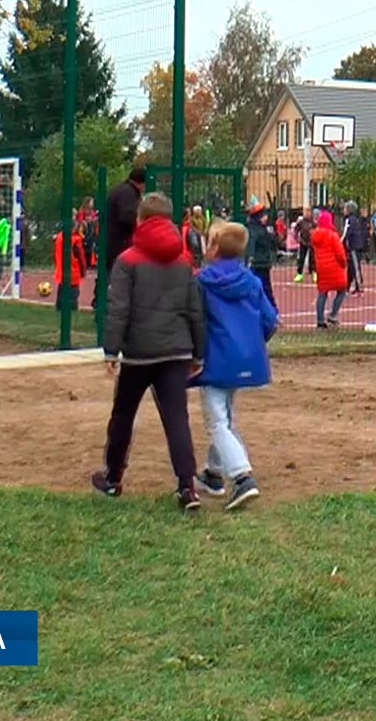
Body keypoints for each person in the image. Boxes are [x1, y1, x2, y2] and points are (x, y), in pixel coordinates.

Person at [94, 192, 207, 512]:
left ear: (141, 220)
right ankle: (187, 487)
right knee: (177, 419)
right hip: (177, 350)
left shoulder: (127, 260)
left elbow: (119, 309)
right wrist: (199, 353)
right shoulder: (183, 260)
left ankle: (113, 478)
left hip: (138, 352)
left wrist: (110, 350)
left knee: (123, 415)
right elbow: (194, 310)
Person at [192, 222, 276, 511]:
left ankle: (241, 477)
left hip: (216, 359)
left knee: (216, 420)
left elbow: (195, 321)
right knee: (224, 416)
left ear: (213, 248)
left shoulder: (202, 281)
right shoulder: (252, 281)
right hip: (244, 357)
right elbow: (269, 320)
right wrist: (250, 344)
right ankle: (213, 474)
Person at [102, 166, 145, 275]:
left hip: (113, 243)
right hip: (121, 244)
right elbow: (127, 216)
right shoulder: (129, 193)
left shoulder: (121, 190)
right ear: (141, 183)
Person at [310, 209, 349, 329]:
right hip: (335, 267)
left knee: (322, 292)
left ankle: (320, 320)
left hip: (321, 267)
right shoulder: (333, 236)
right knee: (342, 290)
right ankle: (333, 314)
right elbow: (340, 253)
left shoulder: (315, 236)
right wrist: (343, 264)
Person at [244, 202, 278, 309]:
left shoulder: (263, 228)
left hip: (263, 262)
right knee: (262, 289)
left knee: (266, 288)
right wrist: (250, 258)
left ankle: (271, 311)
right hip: (258, 263)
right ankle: (269, 311)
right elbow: (252, 244)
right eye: (264, 215)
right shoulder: (254, 229)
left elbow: (273, 243)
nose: (266, 217)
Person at [50, 216, 88, 311]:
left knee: (62, 290)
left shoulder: (59, 237)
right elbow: (80, 256)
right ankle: (72, 308)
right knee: (73, 292)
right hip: (73, 271)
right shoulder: (76, 240)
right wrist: (83, 270)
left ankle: (59, 307)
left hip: (61, 270)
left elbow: (55, 253)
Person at [342, 200, 368, 293]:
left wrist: (341, 242)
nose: (343, 210)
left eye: (345, 208)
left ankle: (359, 285)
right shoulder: (354, 219)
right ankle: (348, 285)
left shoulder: (349, 220)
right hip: (353, 245)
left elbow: (346, 232)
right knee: (351, 266)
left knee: (355, 266)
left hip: (354, 246)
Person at [76, 196, 100, 272]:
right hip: (83, 231)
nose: (92, 204)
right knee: (85, 224)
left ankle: (92, 262)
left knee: (94, 240)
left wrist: (92, 220)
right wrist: (86, 220)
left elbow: (94, 218)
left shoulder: (92, 212)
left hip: (91, 232)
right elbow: (80, 221)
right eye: (91, 202)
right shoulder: (82, 211)